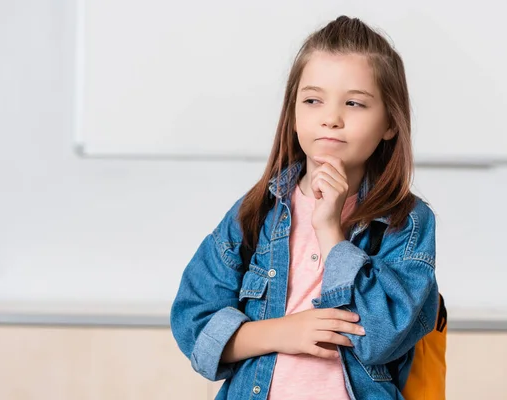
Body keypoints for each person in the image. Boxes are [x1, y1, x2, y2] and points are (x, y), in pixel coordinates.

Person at [170, 15, 439, 400]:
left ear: (390, 123)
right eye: (313, 100)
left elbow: (382, 337)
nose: (331, 118)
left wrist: (331, 232)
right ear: (294, 114)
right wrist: (283, 331)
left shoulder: (406, 223)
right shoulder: (255, 212)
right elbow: (194, 324)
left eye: (354, 103)